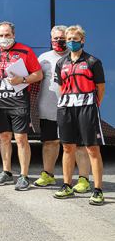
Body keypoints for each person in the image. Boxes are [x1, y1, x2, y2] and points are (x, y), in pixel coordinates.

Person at [54, 25, 106, 205]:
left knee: (92, 148)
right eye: (68, 39)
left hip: (87, 107)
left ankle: (98, 189)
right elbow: (61, 88)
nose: (71, 42)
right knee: (68, 147)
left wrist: (91, 104)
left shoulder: (93, 61)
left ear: (82, 40)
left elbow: (100, 89)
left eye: (75, 40)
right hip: (66, 107)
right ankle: (67, 185)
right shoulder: (61, 63)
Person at [35, 25, 91, 191]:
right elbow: (34, 79)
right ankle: (48, 175)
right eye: (55, 38)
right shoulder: (43, 58)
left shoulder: (76, 57)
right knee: (49, 143)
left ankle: (83, 180)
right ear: (51, 40)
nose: (58, 41)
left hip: (74, 109)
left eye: (62, 38)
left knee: (78, 145)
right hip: (48, 108)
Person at [0, 21, 43, 191]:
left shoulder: (25, 51)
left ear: (14, 35)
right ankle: (6, 172)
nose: (4, 38)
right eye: (1, 36)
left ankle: (24, 175)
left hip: (19, 101)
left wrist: (23, 79)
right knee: (4, 138)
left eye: (7, 35)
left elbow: (38, 74)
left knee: (21, 139)